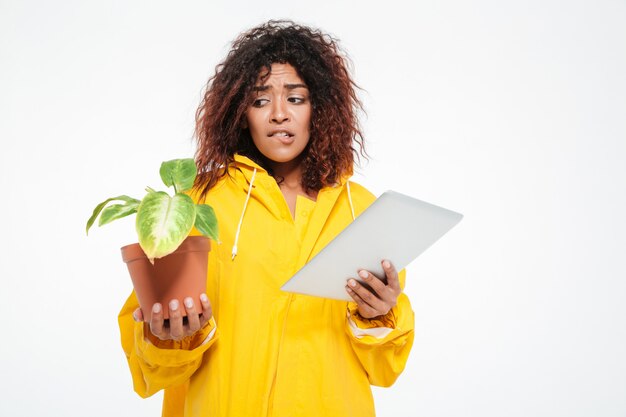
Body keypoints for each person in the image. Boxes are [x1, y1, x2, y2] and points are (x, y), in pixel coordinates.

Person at [118, 20, 415, 417]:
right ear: (241, 115)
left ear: (319, 109)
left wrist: (379, 315)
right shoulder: (199, 205)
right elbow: (148, 370)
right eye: (260, 101)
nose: (279, 114)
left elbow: (385, 369)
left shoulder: (361, 210)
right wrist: (168, 336)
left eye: (296, 98)